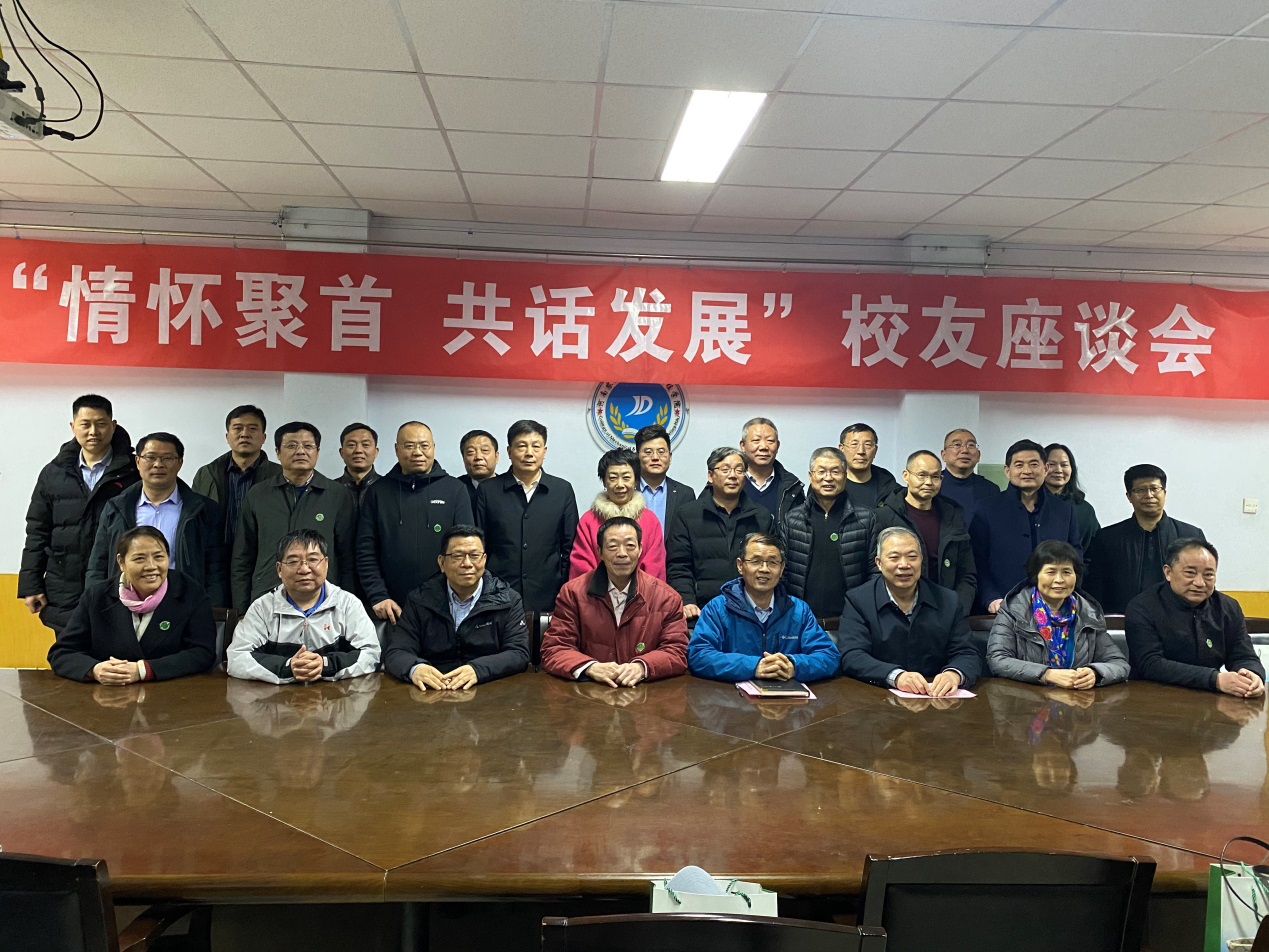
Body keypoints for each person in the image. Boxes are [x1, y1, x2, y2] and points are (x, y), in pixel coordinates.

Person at [20, 393, 140, 634]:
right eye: (85, 424)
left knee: (115, 651)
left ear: (113, 425)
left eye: (101, 424)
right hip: (64, 584)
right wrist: (31, 585)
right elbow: (37, 531)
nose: (93, 431)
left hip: (117, 582)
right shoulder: (53, 473)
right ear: (73, 426)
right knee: (69, 652)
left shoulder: (133, 472)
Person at [48, 526, 216, 683]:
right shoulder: (97, 596)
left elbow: (203, 653)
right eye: (139, 559)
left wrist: (144, 670)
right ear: (121, 562)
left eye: (159, 557)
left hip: (170, 696)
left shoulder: (190, 592)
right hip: (108, 697)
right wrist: (94, 669)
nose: (151, 566)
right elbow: (62, 653)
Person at [540, 516, 688, 684]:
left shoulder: (667, 598)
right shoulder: (573, 593)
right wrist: (590, 667)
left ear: (640, 549)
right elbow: (554, 648)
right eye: (612, 546)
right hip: (588, 692)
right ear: (600, 551)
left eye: (630, 546)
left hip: (645, 693)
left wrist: (641, 667)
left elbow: (677, 651)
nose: (622, 553)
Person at [86, 431, 228, 606]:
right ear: (138, 461)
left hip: (183, 604)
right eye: (150, 457)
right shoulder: (116, 508)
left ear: (180, 463)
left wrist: (210, 609)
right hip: (125, 604)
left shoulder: (203, 510)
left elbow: (215, 569)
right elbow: (98, 564)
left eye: (167, 458)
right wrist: (95, 606)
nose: (158, 464)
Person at [383, 525, 530, 690]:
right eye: (457, 556)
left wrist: (478, 670)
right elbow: (396, 651)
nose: (467, 563)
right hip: (433, 690)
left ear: (484, 560)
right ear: (442, 563)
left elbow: (519, 653)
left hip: (488, 687)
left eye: (474, 556)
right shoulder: (420, 600)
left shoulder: (508, 600)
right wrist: (415, 668)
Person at [230, 422, 356, 613]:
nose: (300, 451)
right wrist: (241, 610)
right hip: (267, 597)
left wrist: (346, 607)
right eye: (291, 446)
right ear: (278, 452)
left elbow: (347, 558)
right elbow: (242, 557)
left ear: (317, 452)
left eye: (308, 446)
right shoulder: (258, 495)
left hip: (322, 600)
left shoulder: (338, 495)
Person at [838, 526, 981, 695]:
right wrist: (896, 676)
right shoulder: (859, 600)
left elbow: (967, 653)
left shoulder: (948, 600)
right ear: (879, 563)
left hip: (936, 697)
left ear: (921, 560)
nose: (904, 565)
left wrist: (954, 674)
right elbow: (852, 655)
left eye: (912, 557)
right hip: (878, 698)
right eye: (894, 557)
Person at [357, 421, 474, 625]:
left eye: (424, 445)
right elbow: (365, 550)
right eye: (409, 446)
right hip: (391, 608)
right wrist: (378, 595)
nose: (417, 452)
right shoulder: (378, 492)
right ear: (396, 449)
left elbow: (466, 550)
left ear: (433, 448)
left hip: (445, 607)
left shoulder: (455, 490)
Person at [227, 529, 380, 684]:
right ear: (279, 569)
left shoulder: (347, 604)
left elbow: (371, 654)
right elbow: (237, 658)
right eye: (293, 561)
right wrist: (289, 667)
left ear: (326, 564)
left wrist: (325, 665)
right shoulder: (262, 608)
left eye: (313, 560)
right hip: (277, 697)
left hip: (335, 696)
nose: (304, 569)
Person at [688, 533, 840, 683]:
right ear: (740, 565)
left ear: (782, 568)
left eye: (773, 563)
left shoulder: (799, 610)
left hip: (787, 697)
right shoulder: (717, 609)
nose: (764, 569)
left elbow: (829, 656)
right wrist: (754, 666)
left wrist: (793, 665)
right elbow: (699, 655)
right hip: (731, 696)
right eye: (756, 561)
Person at [1125, 539, 1265, 697]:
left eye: (1208, 575)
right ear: (1168, 572)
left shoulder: (1228, 607)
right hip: (1152, 698)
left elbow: (1243, 655)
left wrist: (1252, 675)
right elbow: (1151, 664)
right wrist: (1215, 679)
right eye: (1190, 573)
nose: (1200, 583)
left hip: (1211, 698)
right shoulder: (1142, 607)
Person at [987, 540, 1129, 688]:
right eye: (1051, 572)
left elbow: (1119, 663)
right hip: (1026, 697)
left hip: (1077, 698)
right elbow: (997, 659)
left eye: (1067, 572)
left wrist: (1095, 673)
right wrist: (1046, 674)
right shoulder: (1014, 609)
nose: (1059, 580)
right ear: (1035, 575)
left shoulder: (1088, 613)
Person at [475, 419, 578, 614]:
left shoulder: (562, 490)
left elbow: (569, 547)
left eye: (536, 446)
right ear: (509, 451)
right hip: (498, 594)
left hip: (549, 596)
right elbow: (479, 545)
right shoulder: (488, 491)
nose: (529, 453)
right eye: (522, 446)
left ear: (544, 452)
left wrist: (564, 591)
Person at [971, 439, 1082, 613]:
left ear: (1045, 469)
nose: (1027, 471)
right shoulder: (987, 508)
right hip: (1001, 607)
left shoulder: (1064, 511)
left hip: (1055, 607)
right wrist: (990, 597)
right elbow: (977, 560)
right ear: (1008, 471)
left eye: (1034, 464)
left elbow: (1076, 558)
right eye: (1019, 465)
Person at [1084, 464, 1206, 614]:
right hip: (1124, 621)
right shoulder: (1107, 538)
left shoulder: (1191, 536)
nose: (1149, 495)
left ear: (1164, 493)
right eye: (1140, 490)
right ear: (1129, 496)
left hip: (1180, 620)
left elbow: (1203, 582)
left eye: (1154, 489)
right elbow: (1096, 589)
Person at [667, 447, 773, 620]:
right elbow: (679, 565)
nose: (733, 476)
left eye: (739, 470)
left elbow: (771, 566)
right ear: (710, 476)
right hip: (702, 612)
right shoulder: (687, 515)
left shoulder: (762, 517)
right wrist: (687, 601)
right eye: (725, 469)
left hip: (751, 613)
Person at [778, 447, 877, 619]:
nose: (828, 478)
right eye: (821, 471)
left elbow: (875, 570)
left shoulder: (865, 519)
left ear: (845, 475)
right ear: (811, 476)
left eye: (835, 472)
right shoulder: (793, 519)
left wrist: (863, 612)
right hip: (801, 620)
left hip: (851, 621)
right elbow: (781, 571)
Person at [875, 449, 976, 615]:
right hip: (899, 613)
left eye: (935, 477)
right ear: (906, 476)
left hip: (947, 611)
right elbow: (875, 572)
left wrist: (957, 610)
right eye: (921, 475)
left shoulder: (953, 515)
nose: (929, 482)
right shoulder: (882, 517)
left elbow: (967, 573)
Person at [191, 404, 281, 546]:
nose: (244, 434)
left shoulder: (280, 475)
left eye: (252, 428)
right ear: (227, 437)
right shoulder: (206, 474)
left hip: (262, 555)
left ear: (264, 438)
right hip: (216, 555)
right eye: (238, 428)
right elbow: (194, 518)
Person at [570, 448, 666, 580]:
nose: (620, 485)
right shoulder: (588, 521)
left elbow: (655, 569)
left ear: (636, 481)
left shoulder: (650, 521)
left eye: (626, 477)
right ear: (604, 482)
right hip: (596, 592)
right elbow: (581, 569)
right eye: (613, 478)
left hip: (642, 592)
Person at [738, 417, 805, 524]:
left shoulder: (792, 487)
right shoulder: (729, 482)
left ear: (778, 446)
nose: (763, 447)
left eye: (770, 441)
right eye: (756, 440)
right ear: (743, 446)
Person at [634, 423, 692, 532]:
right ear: (637, 457)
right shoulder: (626, 491)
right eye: (648, 452)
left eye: (661, 452)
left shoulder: (685, 494)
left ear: (670, 457)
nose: (655, 457)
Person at [938, 428, 999, 528]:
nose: (965, 450)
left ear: (978, 455)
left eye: (971, 445)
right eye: (957, 445)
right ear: (944, 455)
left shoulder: (990, 489)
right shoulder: (932, 484)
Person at [1044, 443, 1099, 552]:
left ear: (1072, 469)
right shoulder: (1029, 504)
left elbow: (1094, 550)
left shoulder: (1085, 510)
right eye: (1051, 464)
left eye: (1064, 465)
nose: (1058, 470)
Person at [838, 423, 901, 510]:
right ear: (841, 449)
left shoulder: (887, 482)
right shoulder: (831, 481)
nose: (861, 451)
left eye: (867, 445)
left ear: (875, 450)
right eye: (854, 444)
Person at [335, 422, 381, 511]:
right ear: (342, 452)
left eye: (365, 445)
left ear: (376, 452)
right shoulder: (329, 490)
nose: (358, 450)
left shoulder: (388, 489)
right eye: (351, 445)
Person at [458, 429, 500, 507]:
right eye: (471, 452)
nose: (478, 457)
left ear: (496, 457)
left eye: (485, 450)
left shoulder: (509, 489)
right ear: (463, 458)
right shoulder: (455, 488)